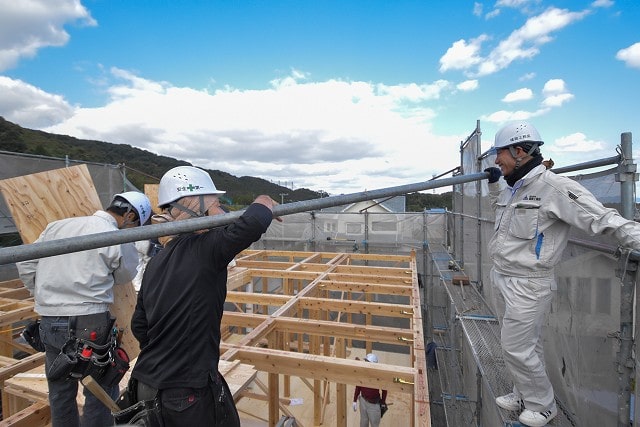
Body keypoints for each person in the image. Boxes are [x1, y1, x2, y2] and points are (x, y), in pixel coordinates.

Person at [484, 121, 640, 427]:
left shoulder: (555, 188)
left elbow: (602, 219)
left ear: (518, 151)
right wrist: (494, 185)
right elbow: (498, 210)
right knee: (525, 344)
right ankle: (524, 393)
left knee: (516, 346)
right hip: (502, 275)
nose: (495, 160)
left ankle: (542, 405)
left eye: (499, 153)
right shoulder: (515, 188)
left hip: (528, 284)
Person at [129, 166, 280, 427]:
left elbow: (139, 326)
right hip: (184, 396)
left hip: (145, 386)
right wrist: (264, 201)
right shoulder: (206, 249)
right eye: (216, 204)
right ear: (194, 206)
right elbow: (251, 224)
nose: (222, 212)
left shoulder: (157, 261)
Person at [16, 191, 152, 427]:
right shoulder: (115, 235)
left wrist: (41, 293)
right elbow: (124, 276)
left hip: (50, 321)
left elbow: (25, 260)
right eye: (136, 224)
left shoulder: (56, 227)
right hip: (90, 321)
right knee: (99, 389)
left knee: (59, 390)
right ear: (129, 215)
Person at [352, 353, 388, 427]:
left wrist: (383, 402)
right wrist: (355, 400)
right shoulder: (363, 373)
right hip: (363, 401)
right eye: (365, 361)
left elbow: (384, 390)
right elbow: (358, 385)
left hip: (374, 405)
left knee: (374, 424)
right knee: (363, 422)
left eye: (367, 362)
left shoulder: (378, 376)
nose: (365, 363)